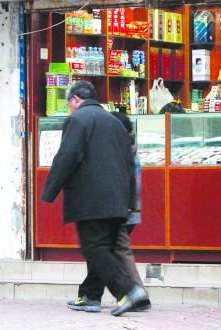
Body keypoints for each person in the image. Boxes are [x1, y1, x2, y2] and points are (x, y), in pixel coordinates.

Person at [41, 80, 148, 317]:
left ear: (76, 99)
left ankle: (128, 291)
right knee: (104, 248)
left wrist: (50, 190)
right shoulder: (114, 122)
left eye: (70, 104)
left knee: (94, 247)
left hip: (91, 199)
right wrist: (129, 201)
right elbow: (129, 163)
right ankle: (91, 296)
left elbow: (68, 155)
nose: (70, 109)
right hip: (118, 199)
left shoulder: (79, 119)